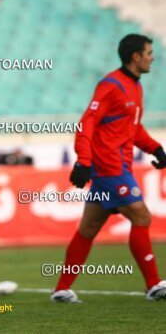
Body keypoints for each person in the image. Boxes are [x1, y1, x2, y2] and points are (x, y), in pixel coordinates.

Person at [52, 34, 166, 303]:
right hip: (108, 168)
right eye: (149, 53)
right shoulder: (111, 85)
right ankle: (153, 284)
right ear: (135, 56)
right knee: (141, 216)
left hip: (119, 167)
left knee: (88, 228)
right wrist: (83, 161)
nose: (152, 58)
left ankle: (61, 289)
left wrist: (155, 148)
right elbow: (87, 122)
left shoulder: (135, 87)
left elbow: (132, 128)